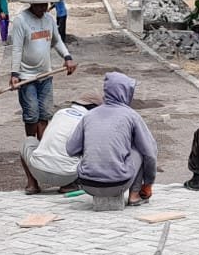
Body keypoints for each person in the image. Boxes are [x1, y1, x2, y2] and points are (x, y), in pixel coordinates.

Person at [66, 72, 158, 205]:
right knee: (141, 148)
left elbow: (71, 149)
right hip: (118, 184)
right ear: (126, 92)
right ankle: (135, 195)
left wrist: (92, 152)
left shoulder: (89, 115)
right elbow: (150, 154)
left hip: (87, 184)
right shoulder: (131, 116)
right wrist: (148, 183)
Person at [8, 0, 77, 139]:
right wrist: (14, 73)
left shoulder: (49, 20)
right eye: (39, 6)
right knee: (31, 114)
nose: (43, 9)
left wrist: (67, 57)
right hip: (27, 77)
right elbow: (17, 49)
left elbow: (57, 41)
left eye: (45, 5)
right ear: (31, 4)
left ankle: (42, 147)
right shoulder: (21, 21)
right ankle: (30, 144)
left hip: (46, 74)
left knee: (45, 114)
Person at [20, 94, 98, 194]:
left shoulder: (60, 113)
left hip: (38, 171)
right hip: (66, 175)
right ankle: (69, 185)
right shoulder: (88, 120)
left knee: (29, 140)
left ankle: (32, 185)